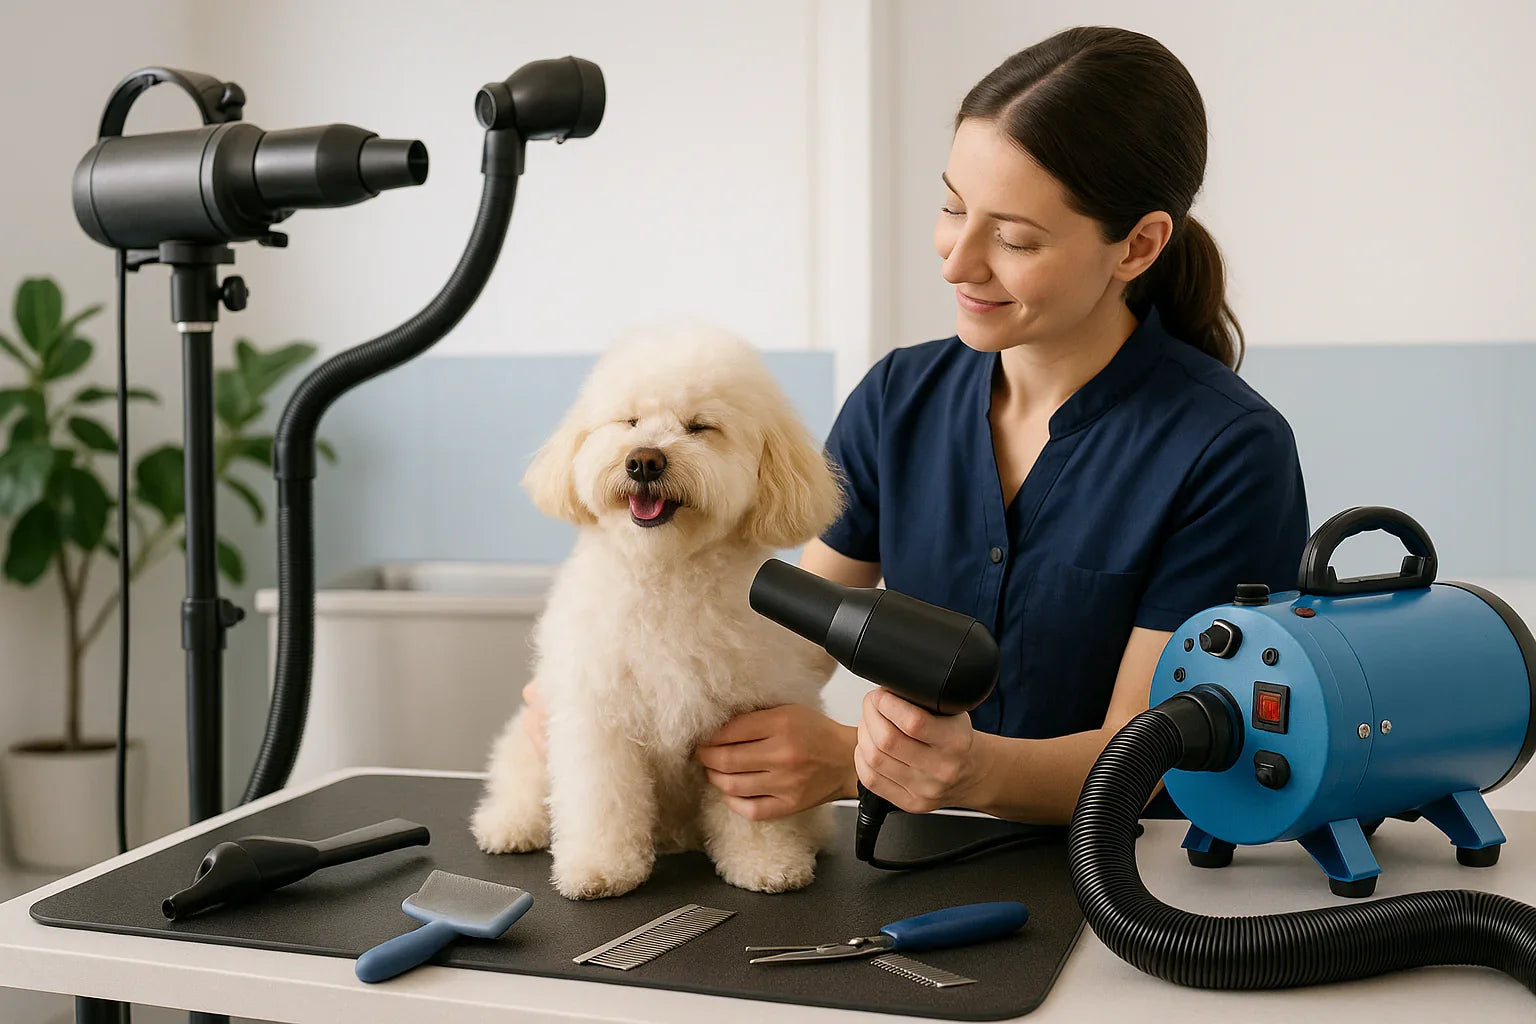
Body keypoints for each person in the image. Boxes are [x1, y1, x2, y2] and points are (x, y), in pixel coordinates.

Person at [525, 25, 1310, 827]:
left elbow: (1149, 761)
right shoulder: (899, 399)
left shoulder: (1228, 452)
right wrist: (616, 684)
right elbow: (792, 638)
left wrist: (863, 763)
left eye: (1013, 238)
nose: (957, 260)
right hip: (920, 865)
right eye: (952, 206)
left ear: (1137, 247)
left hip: (1139, 880)